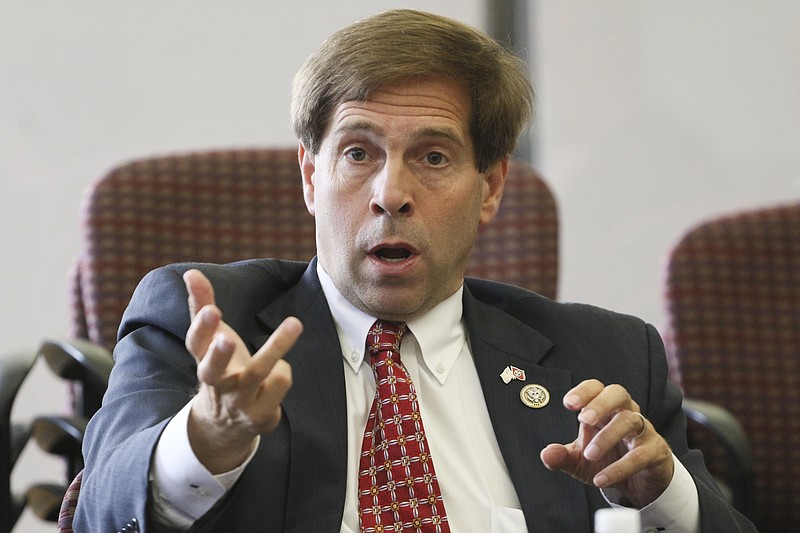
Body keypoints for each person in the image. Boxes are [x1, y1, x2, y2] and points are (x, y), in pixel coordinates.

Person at [73, 9, 756, 533]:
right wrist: (207, 437)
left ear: (490, 188)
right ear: (312, 177)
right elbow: (100, 508)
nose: (390, 192)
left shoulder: (603, 358)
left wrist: (664, 494)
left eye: (432, 157)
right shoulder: (200, 324)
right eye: (359, 153)